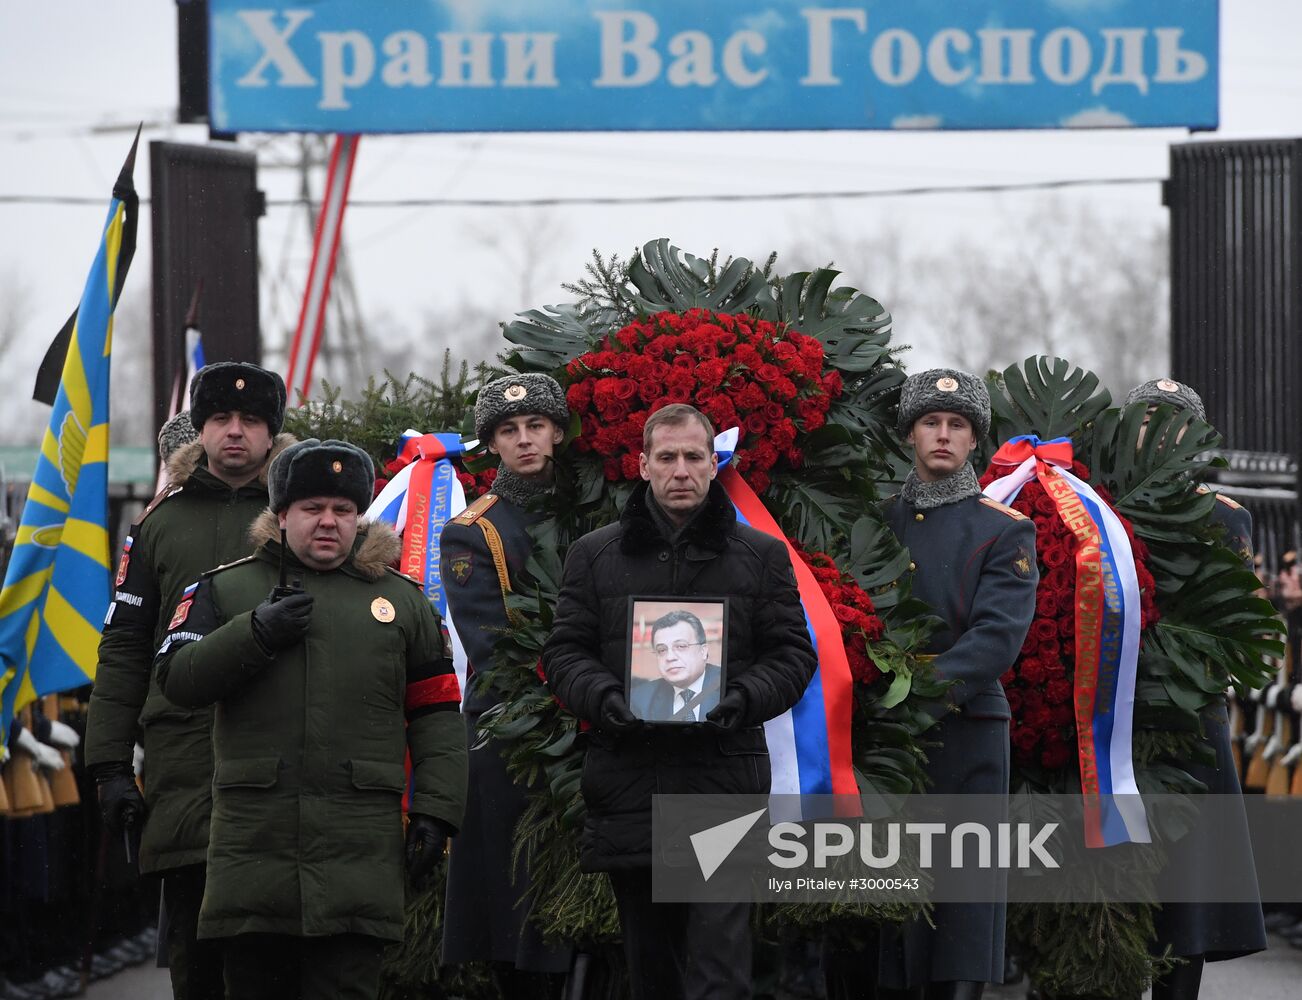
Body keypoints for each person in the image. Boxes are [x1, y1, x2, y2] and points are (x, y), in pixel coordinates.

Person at [154, 438, 468, 1000]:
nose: (329, 522)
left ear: (359, 518)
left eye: (343, 510)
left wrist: (436, 812)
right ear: (280, 516)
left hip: (359, 856)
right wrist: (253, 633)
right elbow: (179, 682)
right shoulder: (225, 589)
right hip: (254, 854)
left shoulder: (403, 603)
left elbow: (438, 713)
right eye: (312, 509)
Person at [543, 402, 817, 1000]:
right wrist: (605, 697)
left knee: (721, 969)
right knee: (653, 971)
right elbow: (564, 654)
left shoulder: (761, 556)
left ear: (715, 465)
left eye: (694, 456)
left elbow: (794, 656)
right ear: (641, 465)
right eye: (666, 457)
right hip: (628, 782)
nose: (681, 470)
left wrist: (741, 698)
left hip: (722, 781)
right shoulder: (593, 555)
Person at [85, 362, 290, 1000]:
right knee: (196, 961)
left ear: (270, 432)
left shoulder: (304, 514)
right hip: (184, 765)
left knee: (274, 962)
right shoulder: (157, 528)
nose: (234, 432)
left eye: (250, 420)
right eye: (219, 420)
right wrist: (111, 765)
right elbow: (123, 647)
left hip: (282, 763)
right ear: (198, 430)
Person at [871, 369, 1038, 1000]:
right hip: (885, 744)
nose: (943, 435)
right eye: (931, 423)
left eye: (957, 425)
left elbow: (995, 639)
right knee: (890, 916)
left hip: (963, 733)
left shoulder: (1002, 528)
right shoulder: (881, 518)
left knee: (960, 918)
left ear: (975, 441)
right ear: (910, 434)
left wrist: (911, 696)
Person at [1123, 378, 1268, 998]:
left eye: (1173, 420)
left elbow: (1233, 619)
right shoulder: (1101, 506)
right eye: (1147, 418)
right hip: (1117, 711)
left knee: (1190, 892)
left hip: (1189, 714)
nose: (1160, 431)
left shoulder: (1225, 516)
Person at [438, 374, 573, 994]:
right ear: (492, 444)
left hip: (595, 719)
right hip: (515, 731)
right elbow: (492, 643)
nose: (524, 441)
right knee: (519, 912)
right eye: (508, 431)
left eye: (535, 427)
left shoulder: (593, 507)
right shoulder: (475, 529)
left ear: (558, 433)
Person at [629, 609, 723, 723]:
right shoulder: (640, 699)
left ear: (703, 651)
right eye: (662, 650)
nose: (670, 657)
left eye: (680, 646)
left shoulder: (727, 685)